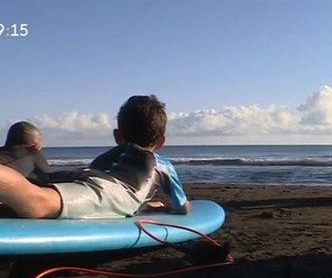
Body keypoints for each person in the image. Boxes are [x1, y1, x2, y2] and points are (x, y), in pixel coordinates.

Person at [0, 94, 191, 219]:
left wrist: (145, 204)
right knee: (38, 202)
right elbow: (182, 207)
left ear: (117, 136)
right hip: (111, 192)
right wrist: (165, 208)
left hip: (83, 175)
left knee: (27, 198)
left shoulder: (106, 156)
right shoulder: (162, 164)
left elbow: (91, 183)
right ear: (162, 141)